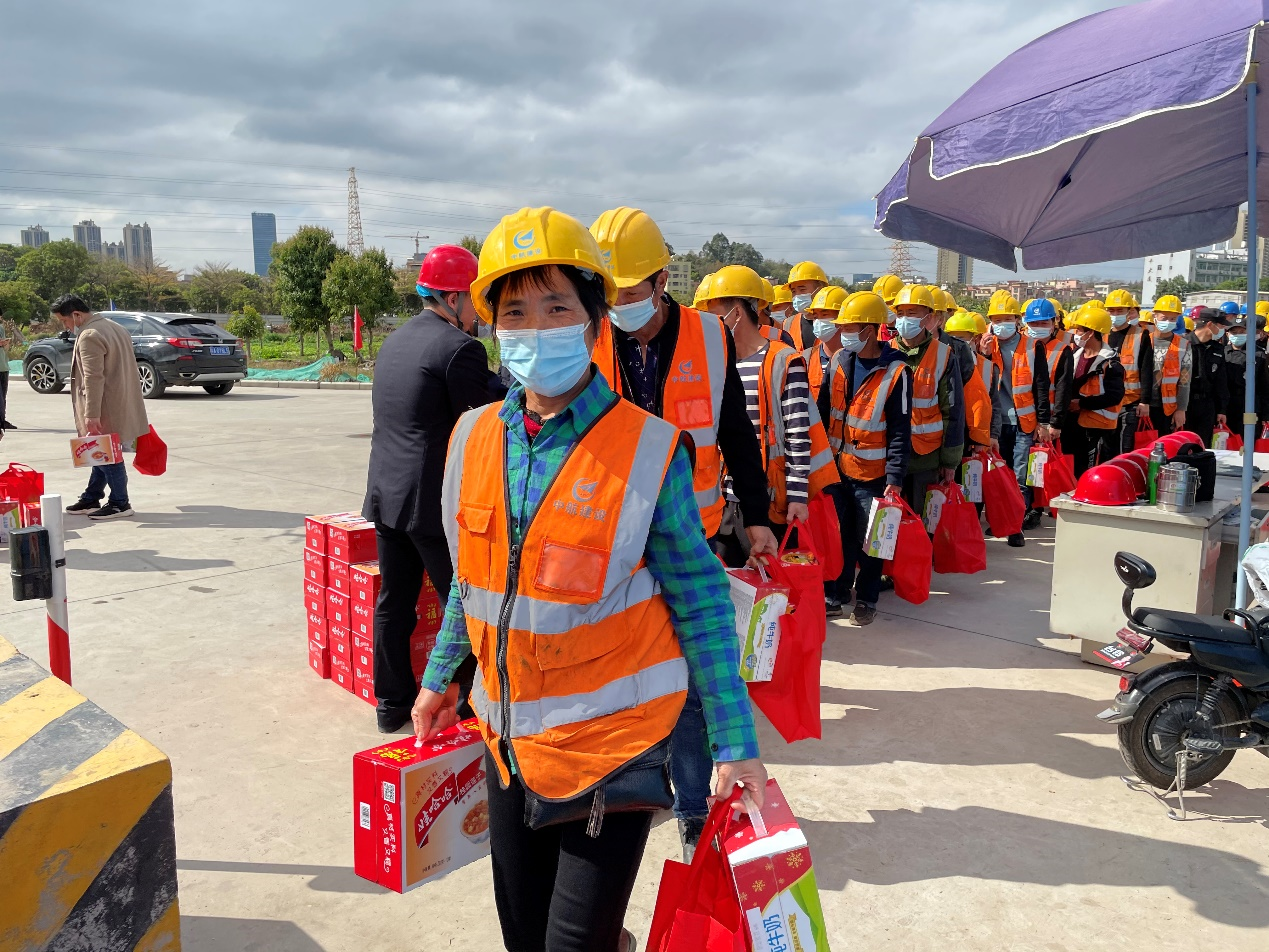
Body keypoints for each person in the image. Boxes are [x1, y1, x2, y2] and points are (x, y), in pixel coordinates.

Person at [411, 206, 767, 952]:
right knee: (522, 938)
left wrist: (734, 740)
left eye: (556, 308)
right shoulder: (473, 437)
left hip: (612, 750)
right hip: (507, 743)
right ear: (492, 326)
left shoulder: (647, 450)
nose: (535, 329)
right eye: (514, 312)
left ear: (593, 320)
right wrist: (441, 677)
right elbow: (475, 583)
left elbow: (702, 602)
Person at [588, 208, 776, 860]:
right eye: (607, 294)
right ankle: (627, 792)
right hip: (611, 542)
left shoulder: (710, 337)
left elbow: (736, 435)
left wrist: (758, 517)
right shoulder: (585, 335)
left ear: (662, 280)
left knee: (695, 683)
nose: (618, 306)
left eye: (629, 293)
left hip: (693, 538)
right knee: (617, 677)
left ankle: (694, 809)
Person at [361, 245, 490, 733]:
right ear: (454, 298)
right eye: (476, 300)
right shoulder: (459, 348)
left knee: (394, 604)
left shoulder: (395, 341)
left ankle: (391, 704)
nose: (479, 313)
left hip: (387, 494)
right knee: (468, 605)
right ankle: (466, 703)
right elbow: (488, 417)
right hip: (432, 505)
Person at [700, 266, 838, 564]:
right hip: (723, 498)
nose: (709, 325)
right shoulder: (715, 361)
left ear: (737, 313)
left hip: (771, 499)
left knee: (771, 583)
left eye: (714, 315)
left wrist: (798, 496)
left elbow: (797, 434)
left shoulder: (784, 361)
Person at [820, 291, 912, 626]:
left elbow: (901, 429)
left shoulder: (897, 371)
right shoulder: (838, 361)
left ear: (870, 330)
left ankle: (867, 598)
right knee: (837, 536)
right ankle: (836, 593)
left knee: (872, 541)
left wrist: (895, 478)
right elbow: (822, 413)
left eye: (849, 327)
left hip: (872, 474)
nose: (843, 333)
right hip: (835, 469)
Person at [52, 295, 148, 520]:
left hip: (105, 405)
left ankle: (120, 503)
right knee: (101, 449)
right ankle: (92, 496)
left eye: (64, 321)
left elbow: (93, 377)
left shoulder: (89, 335)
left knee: (107, 453)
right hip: (120, 400)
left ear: (76, 315)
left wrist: (91, 414)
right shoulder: (115, 327)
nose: (65, 326)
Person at [982, 293, 1052, 546]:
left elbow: (1041, 386)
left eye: (1007, 318)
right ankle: (1000, 521)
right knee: (999, 476)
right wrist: (984, 355)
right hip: (995, 424)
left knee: (1020, 477)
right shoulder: (986, 346)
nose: (1002, 324)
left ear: (1016, 319)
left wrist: (1044, 422)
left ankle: (1015, 527)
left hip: (1024, 422)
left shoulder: (1033, 346)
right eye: (997, 319)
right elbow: (981, 383)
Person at [890, 284, 965, 511]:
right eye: (900, 313)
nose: (905, 319)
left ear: (929, 317)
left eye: (912, 313)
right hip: (889, 457)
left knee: (924, 519)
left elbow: (953, 411)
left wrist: (950, 461)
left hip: (926, 458)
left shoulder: (944, 355)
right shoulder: (886, 352)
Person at [1021, 299, 1074, 526]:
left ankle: (1036, 508)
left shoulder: (1062, 350)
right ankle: (1023, 508)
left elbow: (1063, 389)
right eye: (1034, 323)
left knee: (1038, 467)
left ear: (1054, 323)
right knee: (1022, 467)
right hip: (1023, 417)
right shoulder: (1022, 347)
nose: (1038, 327)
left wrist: (1055, 423)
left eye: (1043, 323)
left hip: (1046, 419)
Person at [1064, 305, 1125, 475]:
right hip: (1074, 425)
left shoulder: (1110, 363)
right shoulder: (1075, 355)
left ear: (1090, 332)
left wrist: (1082, 404)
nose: (1076, 333)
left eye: (1079, 330)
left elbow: (1114, 396)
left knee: (1091, 472)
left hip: (1097, 429)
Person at [1105, 289, 1154, 455]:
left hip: (1130, 402)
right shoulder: (1102, 334)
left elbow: (1147, 370)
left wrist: (1145, 401)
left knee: (1124, 447)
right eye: (1111, 310)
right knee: (1105, 448)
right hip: (1104, 402)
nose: (1115, 314)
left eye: (1120, 310)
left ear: (1129, 311)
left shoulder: (1141, 335)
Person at [944, 310, 999, 454]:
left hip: (976, 440)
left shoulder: (987, 367)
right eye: (952, 337)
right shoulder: (943, 363)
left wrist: (991, 435)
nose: (956, 342)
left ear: (974, 339)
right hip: (950, 436)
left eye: (961, 338)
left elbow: (994, 404)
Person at [1186, 306, 1231, 446]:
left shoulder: (1217, 349)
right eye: (1221, 326)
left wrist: (1222, 410)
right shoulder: (1184, 344)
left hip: (1207, 405)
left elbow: (1221, 382)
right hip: (1186, 404)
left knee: (1203, 445)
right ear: (1210, 324)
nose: (1223, 330)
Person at [1224, 311, 1269, 433]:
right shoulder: (1222, 353)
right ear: (1227, 334)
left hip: (1251, 405)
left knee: (1249, 437)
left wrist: (1266, 414)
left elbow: (1264, 386)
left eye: (1242, 332)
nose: (1238, 335)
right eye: (1234, 332)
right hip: (1228, 406)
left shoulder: (1258, 355)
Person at [782, 260, 829, 350]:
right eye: (793, 291)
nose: (797, 295)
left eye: (802, 290)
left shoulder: (835, 322)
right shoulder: (788, 324)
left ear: (820, 290)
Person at [0, 308, 14, 433]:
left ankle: (2, 420)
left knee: (3, 396)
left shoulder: (1, 328)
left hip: (3, 366)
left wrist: (5, 344)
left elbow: (5, 349)